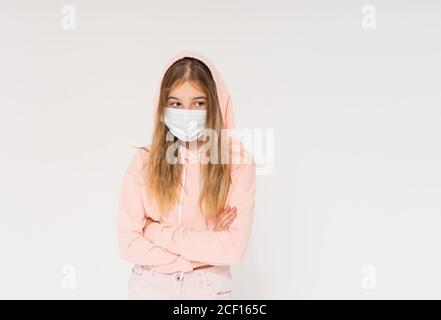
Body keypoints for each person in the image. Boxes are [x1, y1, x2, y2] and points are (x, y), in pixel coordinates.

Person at [117, 50, 256, 299]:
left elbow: (233, 249)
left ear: (214, 104)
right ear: (163, 105)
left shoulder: (239, 165)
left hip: (208, 290)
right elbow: (128, 244)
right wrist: (204, 247)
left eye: (198, 103)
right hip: (148, 287)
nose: (187, 112)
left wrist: (154, 231)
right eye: (176, 103)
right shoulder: (143, 161)